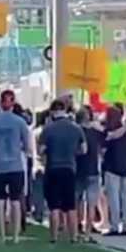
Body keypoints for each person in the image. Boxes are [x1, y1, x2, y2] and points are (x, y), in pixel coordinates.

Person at [0, 89, 31, 244]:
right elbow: (28, 146)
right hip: (15, 165)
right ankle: (16, 236)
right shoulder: (20, 122)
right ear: (13, 102)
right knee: (15, 201)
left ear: (1, 102)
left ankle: (2, 236)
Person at [38, 99, 86, 244]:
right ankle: (73, 236)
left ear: (52, 112)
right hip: (69, 168)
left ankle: (54, 237)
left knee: (54, 206)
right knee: (70, 205)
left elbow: (41, 150)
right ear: (65, 111)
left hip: (53, 168)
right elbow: (84, 149)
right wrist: (72, 152)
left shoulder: (48, 129)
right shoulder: (76, 128)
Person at [101, 106, 126, 236]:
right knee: (125, 198)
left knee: (114, 198)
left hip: (112, 167)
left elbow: (107, 142)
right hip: (125, 167)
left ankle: (115, 226)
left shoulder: (107, 130)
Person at [74, 107, 104, 241]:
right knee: (91, 204)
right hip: (93, 170)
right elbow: (102, 148)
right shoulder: (95, 132)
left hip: (78, 170)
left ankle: (77, 229)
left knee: (77, 201)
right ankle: (88, 232)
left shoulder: (75, 132)